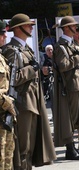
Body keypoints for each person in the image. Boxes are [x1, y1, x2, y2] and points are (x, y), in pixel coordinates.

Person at [2, 13, 56, 169]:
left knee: (31, 146)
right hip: (22, 103)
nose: (31, 28)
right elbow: (11, 79)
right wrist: (31, 70)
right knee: (23, 148)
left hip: (33, 101)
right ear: (18, 29)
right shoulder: (11, 50)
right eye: (28, 25)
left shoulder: (25, 49)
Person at [52, 16, 79, 160]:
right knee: (69, 118)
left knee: (75, 118)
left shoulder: (69, 44)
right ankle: (70, 149)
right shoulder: (61, 46)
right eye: (73, 26)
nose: (75, 28)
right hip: (69, 86)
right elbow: (63, 66)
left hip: (76, 84)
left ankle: (73, 147)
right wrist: (77, 59)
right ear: (66, 28)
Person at [0, 20, 16, 170]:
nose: (5, 36)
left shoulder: (2, 57)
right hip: (3, 111)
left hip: (5, 117)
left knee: (7, 157)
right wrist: (8, 102)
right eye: (2, 33)